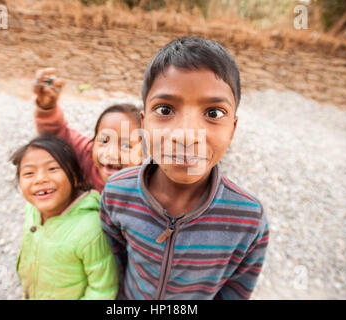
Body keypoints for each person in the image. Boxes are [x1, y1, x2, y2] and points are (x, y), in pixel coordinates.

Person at [99, 36, 269, 300]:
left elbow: (236, 290)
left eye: (213, 113)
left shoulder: (248, 219)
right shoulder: (116, 191)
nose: (187, 135)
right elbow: (114, 260)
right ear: (144, 123)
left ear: (233, 129)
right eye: (165, 109)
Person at [10, 134, 118, 300]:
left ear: (75, 177)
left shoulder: (90, 229)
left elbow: (103, 289)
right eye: (29, 173)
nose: (40, 179)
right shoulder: (32, 209)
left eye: (53, 169)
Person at [33, 68, 143, 192]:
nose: (110, 153)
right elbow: (56, 135)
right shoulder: (88, 157)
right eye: (104, 141)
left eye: (126, 145)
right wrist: (48, 107)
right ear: (93, 142)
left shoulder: (149, 186)